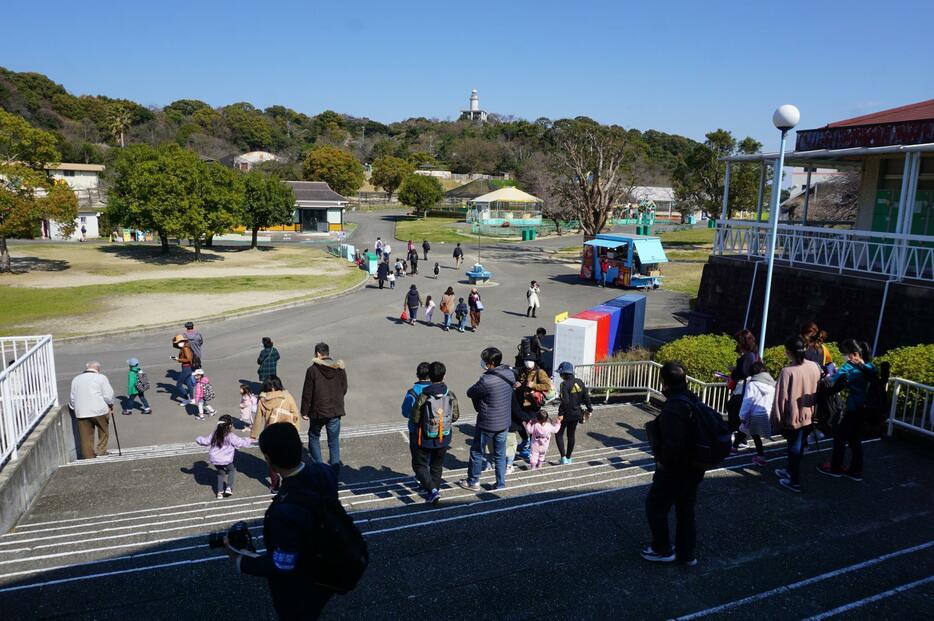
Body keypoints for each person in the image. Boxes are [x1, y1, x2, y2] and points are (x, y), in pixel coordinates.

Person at [231, 423, 341, 620]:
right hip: (326, 566)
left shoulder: (282, 513)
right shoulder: (325, 472)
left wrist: (241, 560)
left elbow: (282, 565)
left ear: (268, 459)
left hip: (300, 586)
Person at [641, 361, 705, 566]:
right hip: (695, 466)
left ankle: (662, 548)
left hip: (675, 469)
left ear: (664, 382)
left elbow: (672, 444)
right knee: (686, 510)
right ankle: (687, 554)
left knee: (655, 506)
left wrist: (661, 463)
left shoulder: (673, 407)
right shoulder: (692, 398)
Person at [817, 339, 876, 481]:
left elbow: (832, 382)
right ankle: (856, 470)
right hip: (865, 409)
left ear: (854, 354)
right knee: (855, 439)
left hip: (853, 409)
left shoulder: (849, 367)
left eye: (845, 354)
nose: (844, 356)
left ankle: (835, 467)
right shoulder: (870, 366)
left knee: (840, 438)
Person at [770, 336, 822, 493]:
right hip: (811, 414)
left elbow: (780, 399)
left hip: (793, 416)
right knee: (798, 445)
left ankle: (794, 481)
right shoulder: (814, 366)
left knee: (794, 446)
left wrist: (776, 421)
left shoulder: (788, 371)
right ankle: (790, 471)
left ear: (788, 352)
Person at [459, 347, 514, 491]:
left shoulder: (486, 380)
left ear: (490, 363)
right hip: (504, 422)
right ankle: (500, 483)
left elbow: (470, 392)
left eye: (484, 360)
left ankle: (473, 481)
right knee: (500, 454)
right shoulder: (509, 373)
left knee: (477, 451)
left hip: (487, 423)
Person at [410, 361, 460, 504]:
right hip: (443, 436)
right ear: (444, 376)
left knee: (419, 465)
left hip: (425, 437)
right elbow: (455, 416)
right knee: (437, 466)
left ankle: (432, 491)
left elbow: (415, 417)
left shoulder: (424, 395)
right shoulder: (450, 394)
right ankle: (434, 492)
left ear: (429, 377)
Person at [301, 342, 348, 467]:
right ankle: (335, 470)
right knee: (333, 441)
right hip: (335, 410)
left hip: (318, 411)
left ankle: (319, 467)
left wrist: (304, 411)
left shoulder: (312, 370)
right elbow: (344, 388)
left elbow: (307, 392)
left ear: (317, 354)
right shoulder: (339, 368)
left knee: (314, 436)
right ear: (327, 353)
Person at [253, 375, 302, 492]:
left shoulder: (262, 400)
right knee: (289, 458)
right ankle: (291, 482)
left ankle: (275, 485)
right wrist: (296, 432)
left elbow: (258, 418)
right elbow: (295, 413)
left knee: (272, 461)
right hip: (287, 432)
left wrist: (254, 434)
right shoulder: (287, 396)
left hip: (271, 433)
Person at [196, 415, 253, 499]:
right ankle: (229, 488)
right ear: (230, 425)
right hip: (226, 460)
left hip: (215, 459)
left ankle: (219, 492)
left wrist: (198, 438)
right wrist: (250, 440)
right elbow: (240, 443)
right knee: (231, 470)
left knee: (220, 473)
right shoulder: (230, 435)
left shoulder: (214, 434)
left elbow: (205, 441)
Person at [69, 361, 115, 459]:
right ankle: (101, 452)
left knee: (85, 436)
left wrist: (74, 408)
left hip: (81, 411)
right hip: (99, 410)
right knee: (103, 431)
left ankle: (88, 456)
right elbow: (108, 395)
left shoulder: (76, 379)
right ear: (98, 369)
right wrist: (110, 405)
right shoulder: (101, 377)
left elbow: (72, 398)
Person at [513, 355, 553, 461]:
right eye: (526, 360)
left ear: (534, 362)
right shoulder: (523, 370)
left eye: (530, 360)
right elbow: (522, 382)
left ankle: (533, 450)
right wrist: (518, 384)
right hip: (522, 402)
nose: (527, 362)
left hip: (533, 404)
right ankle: (525, 440)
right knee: (517, 421)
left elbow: (547, 386)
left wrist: (534, 385)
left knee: (534, 428)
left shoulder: (540, 372)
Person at [738, 361, 775, 467]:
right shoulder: (772, 384)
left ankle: (761, 457)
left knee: (754, 435)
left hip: (754, 413)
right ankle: (735, 447)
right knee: (747, 431)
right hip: (766, 413)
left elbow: (747, 401)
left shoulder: (753, 384)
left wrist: (742, 415)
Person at [555, 362, 593, 464]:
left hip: (566, 414)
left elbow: (565, 401)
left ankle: (563, 458)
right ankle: (569, 457)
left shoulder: (564, 384)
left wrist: (560, 414)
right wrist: (589, 409)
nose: (560, 375)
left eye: (560, 373)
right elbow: (586, 397)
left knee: (558, 434)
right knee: (571, 435)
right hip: (577, 414)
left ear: (564, 374)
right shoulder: (580, 382)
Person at [727, 329, 759, 452]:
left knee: (735, 412)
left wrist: (733, 371)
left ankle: (738, 441)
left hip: (743, 389)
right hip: (748, 389)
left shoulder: (747, 356)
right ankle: (742, 441)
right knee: (740, 415)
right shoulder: (754, 354)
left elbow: (743, 373)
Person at [402, 362, 432, 485]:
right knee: (430, 456)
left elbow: (405, 412)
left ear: (417, 375)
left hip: (416, 430)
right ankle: (430, 477)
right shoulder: (437, 390)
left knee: (418, 458)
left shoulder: (412, 392)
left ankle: (421, 479)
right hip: (433, 428)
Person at [171, 334, 195, 403]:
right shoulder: (185, 347)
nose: (179, 344)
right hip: (188, 368)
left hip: (186, 368)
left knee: (178, 385)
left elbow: (188, 359)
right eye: (178, 342)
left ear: (184, 341)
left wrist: (178, 359)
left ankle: (187, 398)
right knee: (188, 383)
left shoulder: (185, 348)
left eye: (181, 342)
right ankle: (192, 399)